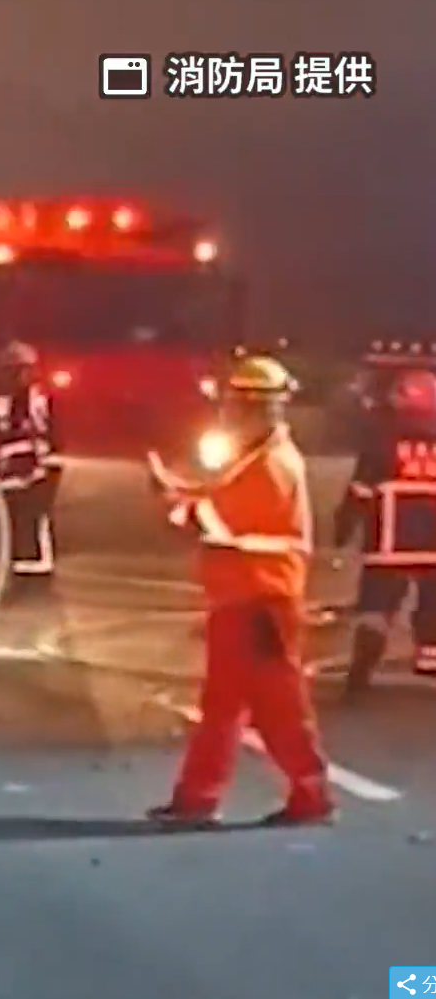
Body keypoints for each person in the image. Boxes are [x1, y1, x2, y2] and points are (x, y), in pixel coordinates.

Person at [147, 354, 333, 827]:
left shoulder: (273, 464)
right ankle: (196, 799)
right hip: (243, 598)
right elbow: (219, 501)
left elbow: (222, 521)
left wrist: (174, 501)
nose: (230, 413)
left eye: (236, 404)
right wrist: (179, 493)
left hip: (261, 601)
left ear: (255, 407)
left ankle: (310, 795)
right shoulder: (258, 456)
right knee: (223, 706)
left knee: (279, 706)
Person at [335, 367, 436, 695]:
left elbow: (361, 488)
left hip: (387, 543)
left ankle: (361, 670)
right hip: (433, 548)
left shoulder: (382, 437)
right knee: (433, 608)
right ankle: (430, 664)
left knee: (375, 608)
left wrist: (343, 527)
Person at [0, 341, 64, 599]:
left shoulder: (42, 400)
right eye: (10, 371)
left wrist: (50, 469)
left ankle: (39, 580)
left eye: (21, 370)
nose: (16, 376)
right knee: (15, 528)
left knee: (36, 524)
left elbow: (55, 434)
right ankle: (20, 579)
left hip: (37, 474)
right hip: (9, 476)